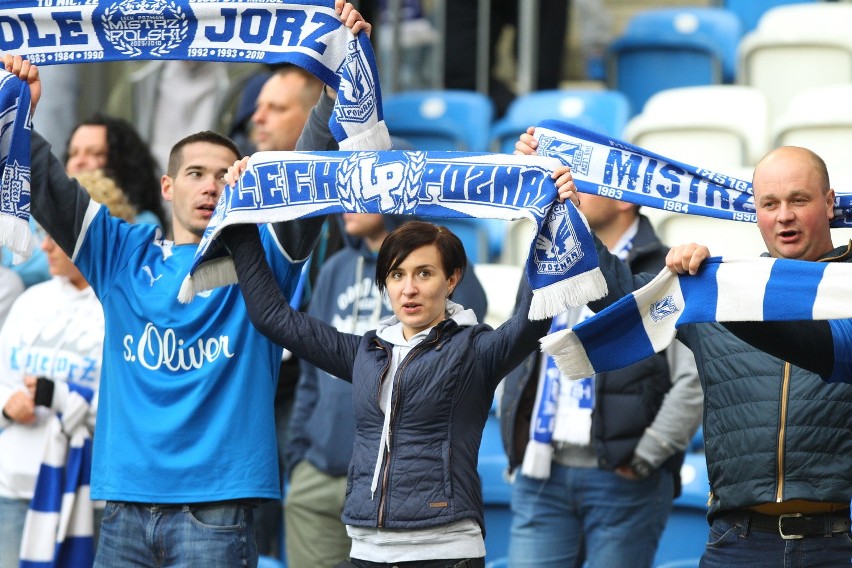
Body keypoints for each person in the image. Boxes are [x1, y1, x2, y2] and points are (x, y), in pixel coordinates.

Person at [2, 5, 371, 565]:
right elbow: (49, 187)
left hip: (218, 512)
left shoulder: (268, 251)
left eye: (225, 174)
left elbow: (315, 161)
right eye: (196, 174)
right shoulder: (119, 251)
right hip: (123, 508)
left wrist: (334, 68)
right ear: (167, 186)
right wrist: (20, 112)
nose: (211, 186)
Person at [524, 136, 852, 566]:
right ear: (755, 212)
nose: (784, 216)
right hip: (735, 543)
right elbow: (618, 292)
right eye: (770, 204)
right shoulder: (723, 291)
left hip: (834, 545)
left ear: (829, 203)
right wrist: (554, 202)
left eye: (799, 200)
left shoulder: (844, 293)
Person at [219, 206, 562, 567]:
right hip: (366, 552)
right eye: (397, 275)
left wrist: (548, 216)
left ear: (452, 280)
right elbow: (272, 317)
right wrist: (238, 221)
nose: (409, 289)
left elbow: (532, 316)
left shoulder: (475, 349)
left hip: (444, 552)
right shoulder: (365, 352)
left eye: (424, 273)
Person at [500, 193, 702, 568]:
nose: (572, 190)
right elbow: (520, 353)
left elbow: (694, 378)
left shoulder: (666, 266)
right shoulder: (548, 256)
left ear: (624, 200)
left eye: (588, 185)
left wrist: (646, 456)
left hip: (624, 479)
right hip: (541, 471)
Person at [284, 213, 488, 568]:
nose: (350, 203)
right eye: (396, 275)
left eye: (364, 189)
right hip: (321, 472)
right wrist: (301, 454)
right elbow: (310, 376)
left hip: (409, 497)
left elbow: (462, 352)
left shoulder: (440, 261)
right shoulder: (335, 267)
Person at [0, 170, 135, 568]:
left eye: (53, 233)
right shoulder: (32, 299)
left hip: (89, 491)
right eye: (41, 233)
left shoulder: (121, 306)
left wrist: (54, 394)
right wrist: (9, 402)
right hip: (15, 483)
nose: (44, 247)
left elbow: (127, 402)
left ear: (87, 234)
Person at [65, 114, 167, 229]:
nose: (79, 161)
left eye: (96, 153)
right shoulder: (48, 216)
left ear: (123, 164)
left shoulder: (142, 225)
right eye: (73, 153)